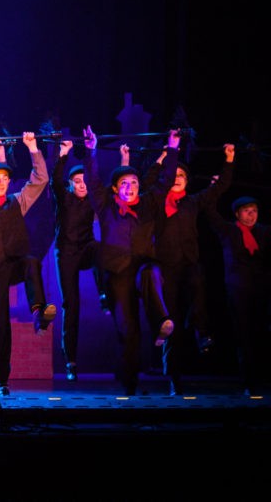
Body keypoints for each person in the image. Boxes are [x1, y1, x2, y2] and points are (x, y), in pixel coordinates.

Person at [83, 126, 180, 396]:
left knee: (151, 271)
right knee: (129, 331)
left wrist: (172, 148)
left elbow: (165, 181)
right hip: (117, 273)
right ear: (115, 188)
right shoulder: (106, 207)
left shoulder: (149, 204)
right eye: (124, 184)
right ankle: (129, 385)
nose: (130, 188)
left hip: (142, 266)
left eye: (134, 183)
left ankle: (162, 322)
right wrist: (91, 150)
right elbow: (92, 181)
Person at [0, 132, 57, 398]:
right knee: (1, 324)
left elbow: (40, 180)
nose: (2, 183)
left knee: (31, 260)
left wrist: (32, 148)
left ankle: (39, 311)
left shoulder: (18, 200)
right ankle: (1, 379)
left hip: (14, 264)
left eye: (5, 179)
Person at [143, 142, 233, 394]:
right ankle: (174, 377)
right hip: (166, 266)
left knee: (198, 283)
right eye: (175, 175)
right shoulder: (156, 203)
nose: (178, 179)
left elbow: (219, 190)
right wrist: (163, 157)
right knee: (170, 322)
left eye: (183, 176)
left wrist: (228, 160)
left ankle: (201, 330)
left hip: (189, 263)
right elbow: (149, 181)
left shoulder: (192, 202)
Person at [203, 195, 270, 396]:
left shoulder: (265, 232)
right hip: (238, 289)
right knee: (244, 335)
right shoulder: (228, 231)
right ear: (237, 214)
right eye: (246, 211)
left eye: (254, 211)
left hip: (262, 289)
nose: (251, 215)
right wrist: (214, 190)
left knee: (261, 333)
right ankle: (248, 382)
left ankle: (264, 379)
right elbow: (210, 214)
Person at [50, 139, 104, 382]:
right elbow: (55, 181)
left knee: (100, 248)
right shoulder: (64, 199)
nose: (82, 185)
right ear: (71, 185)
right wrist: (63, 154)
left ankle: (104, 294)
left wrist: (91, 151)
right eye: (77, 182)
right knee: (71, 305)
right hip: (66, 254)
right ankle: (70, 360)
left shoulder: (93, 200)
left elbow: (95, 178)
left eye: (85, 182)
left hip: (86, 250)